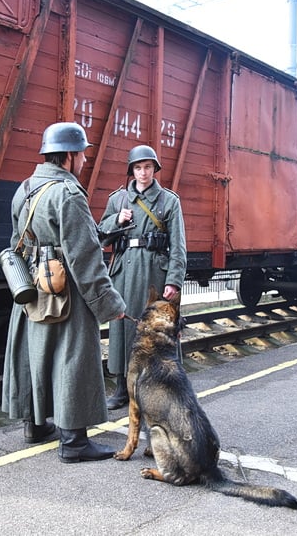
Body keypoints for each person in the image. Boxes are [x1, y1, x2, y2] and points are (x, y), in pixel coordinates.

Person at [0, 122, 126, 463]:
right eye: (82, 154)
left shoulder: (25, 188)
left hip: (32, 288)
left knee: (34, 355)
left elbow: (16, 243)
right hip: (65, 290)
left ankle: (35, 426)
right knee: (73, 358)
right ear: (69, 156)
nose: (84, 160)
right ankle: (74, 442)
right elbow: (86, 258)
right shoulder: (68, 194)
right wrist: (109, 304)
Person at [98, 144, 187, 410]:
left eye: (148, 167)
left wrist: (173, 280)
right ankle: (121, 388)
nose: (143, 173)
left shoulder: (169, 201)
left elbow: (178, 245)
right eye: (138, 168)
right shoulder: (118, 200)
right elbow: (100, 236)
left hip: (153, 274)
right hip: (123, 272)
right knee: (122, 329)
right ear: (132, 170)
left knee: (156, 331)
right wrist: (117, 220)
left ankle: (158, 387)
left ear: (154, 169)